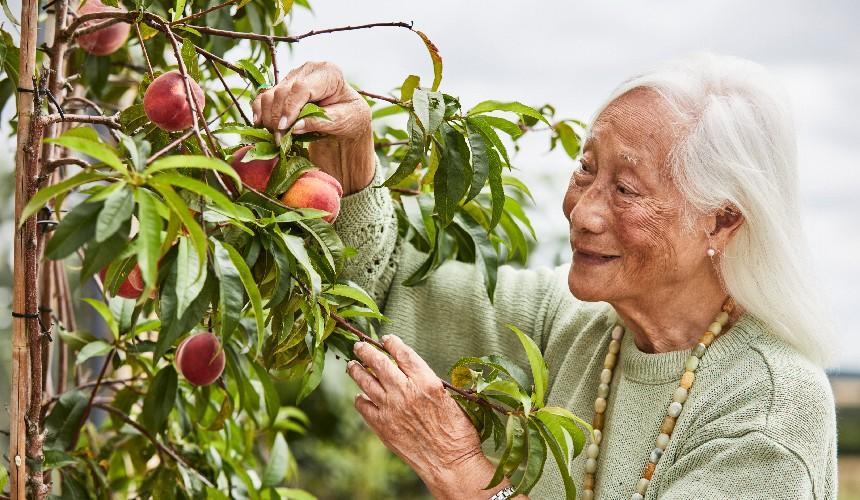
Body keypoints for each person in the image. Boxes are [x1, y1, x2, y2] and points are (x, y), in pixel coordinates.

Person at [252, 54, 837, 499]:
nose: (583, 213)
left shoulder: (769, 408)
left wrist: (465, 473)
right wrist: (351, 169)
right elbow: (380, 291)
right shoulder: (576, 322)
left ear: (723, 219)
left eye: (627, 189)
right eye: (586, 169)